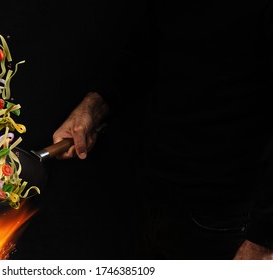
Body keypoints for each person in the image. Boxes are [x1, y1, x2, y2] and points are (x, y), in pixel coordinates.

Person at [52, 0, 273, 259]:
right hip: (156, 193)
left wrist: (263, 241)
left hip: (230, 216)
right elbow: (145, 49)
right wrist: (94, 105)